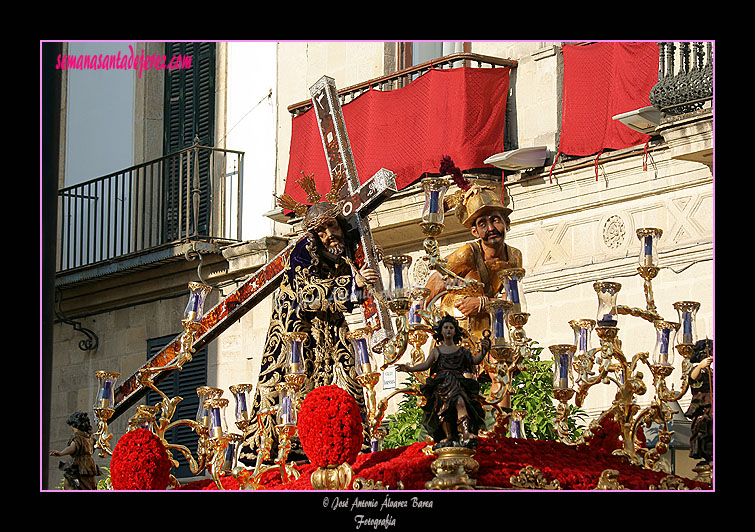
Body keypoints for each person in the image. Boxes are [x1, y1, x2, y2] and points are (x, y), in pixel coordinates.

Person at [244, 199, 379, 461]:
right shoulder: (301, 253)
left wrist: (365, 271)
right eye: (322, 231)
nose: (329, 235)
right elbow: (308, 294)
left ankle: (354, 443)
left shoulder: (350, 246)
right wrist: (353, 285)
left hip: (332, 324)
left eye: (331, 226)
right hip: (298, 333)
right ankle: (288, 451)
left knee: (348, 376)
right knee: (294, 392)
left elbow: (361, 273)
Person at [424, 182, 523, 406]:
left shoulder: (514, 257)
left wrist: (484, 304)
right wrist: (422, 324)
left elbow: (512, 301)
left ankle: (499, 430)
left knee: (502, 374)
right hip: (458, 329)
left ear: (506, 222)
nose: (491, 228)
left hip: (486, 327)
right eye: (482, 223)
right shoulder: (466, 254)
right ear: (474, 231)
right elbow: (431, 287)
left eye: (495, 220)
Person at [396, 315, 490, 449]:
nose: (448, 330)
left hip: (457, 383)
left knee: (460, 402)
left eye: (451, 327)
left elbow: (475, 361)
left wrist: (484, 351)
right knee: (444, 410)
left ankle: (466, 432)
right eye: (445, 327)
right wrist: (409, 368)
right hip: (442, 386)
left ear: (455, 331)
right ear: (441, 331)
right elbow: (426, 365)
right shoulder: (436, 351)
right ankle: (449, 435)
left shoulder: (462, 351)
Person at [49, 411, 102, 490]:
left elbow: (73, 447)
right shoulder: (90, 438)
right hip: (89, 465)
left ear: (74, 425)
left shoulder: (77, 437)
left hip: (79, 465)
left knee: (70, 481)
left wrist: (61, 453)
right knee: (88, 484)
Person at [685, 338, 713, 466]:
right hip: (703, 406)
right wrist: (701, 365)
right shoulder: (700, 370)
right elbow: (692, 377)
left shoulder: (710, 372)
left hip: (711, 405)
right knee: (705, 431)